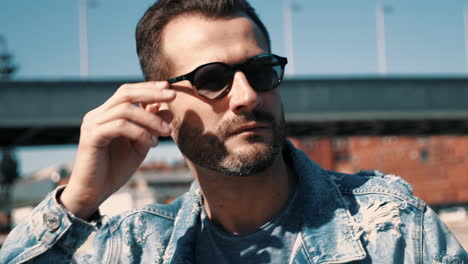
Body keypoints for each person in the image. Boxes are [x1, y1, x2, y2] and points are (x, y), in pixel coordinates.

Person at [1, 0, 466, 263]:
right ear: (158, 105)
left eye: (260, 71)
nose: (245, 95)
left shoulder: (392, 229)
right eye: (211, 78)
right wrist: (77, 201)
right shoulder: (131, 248)